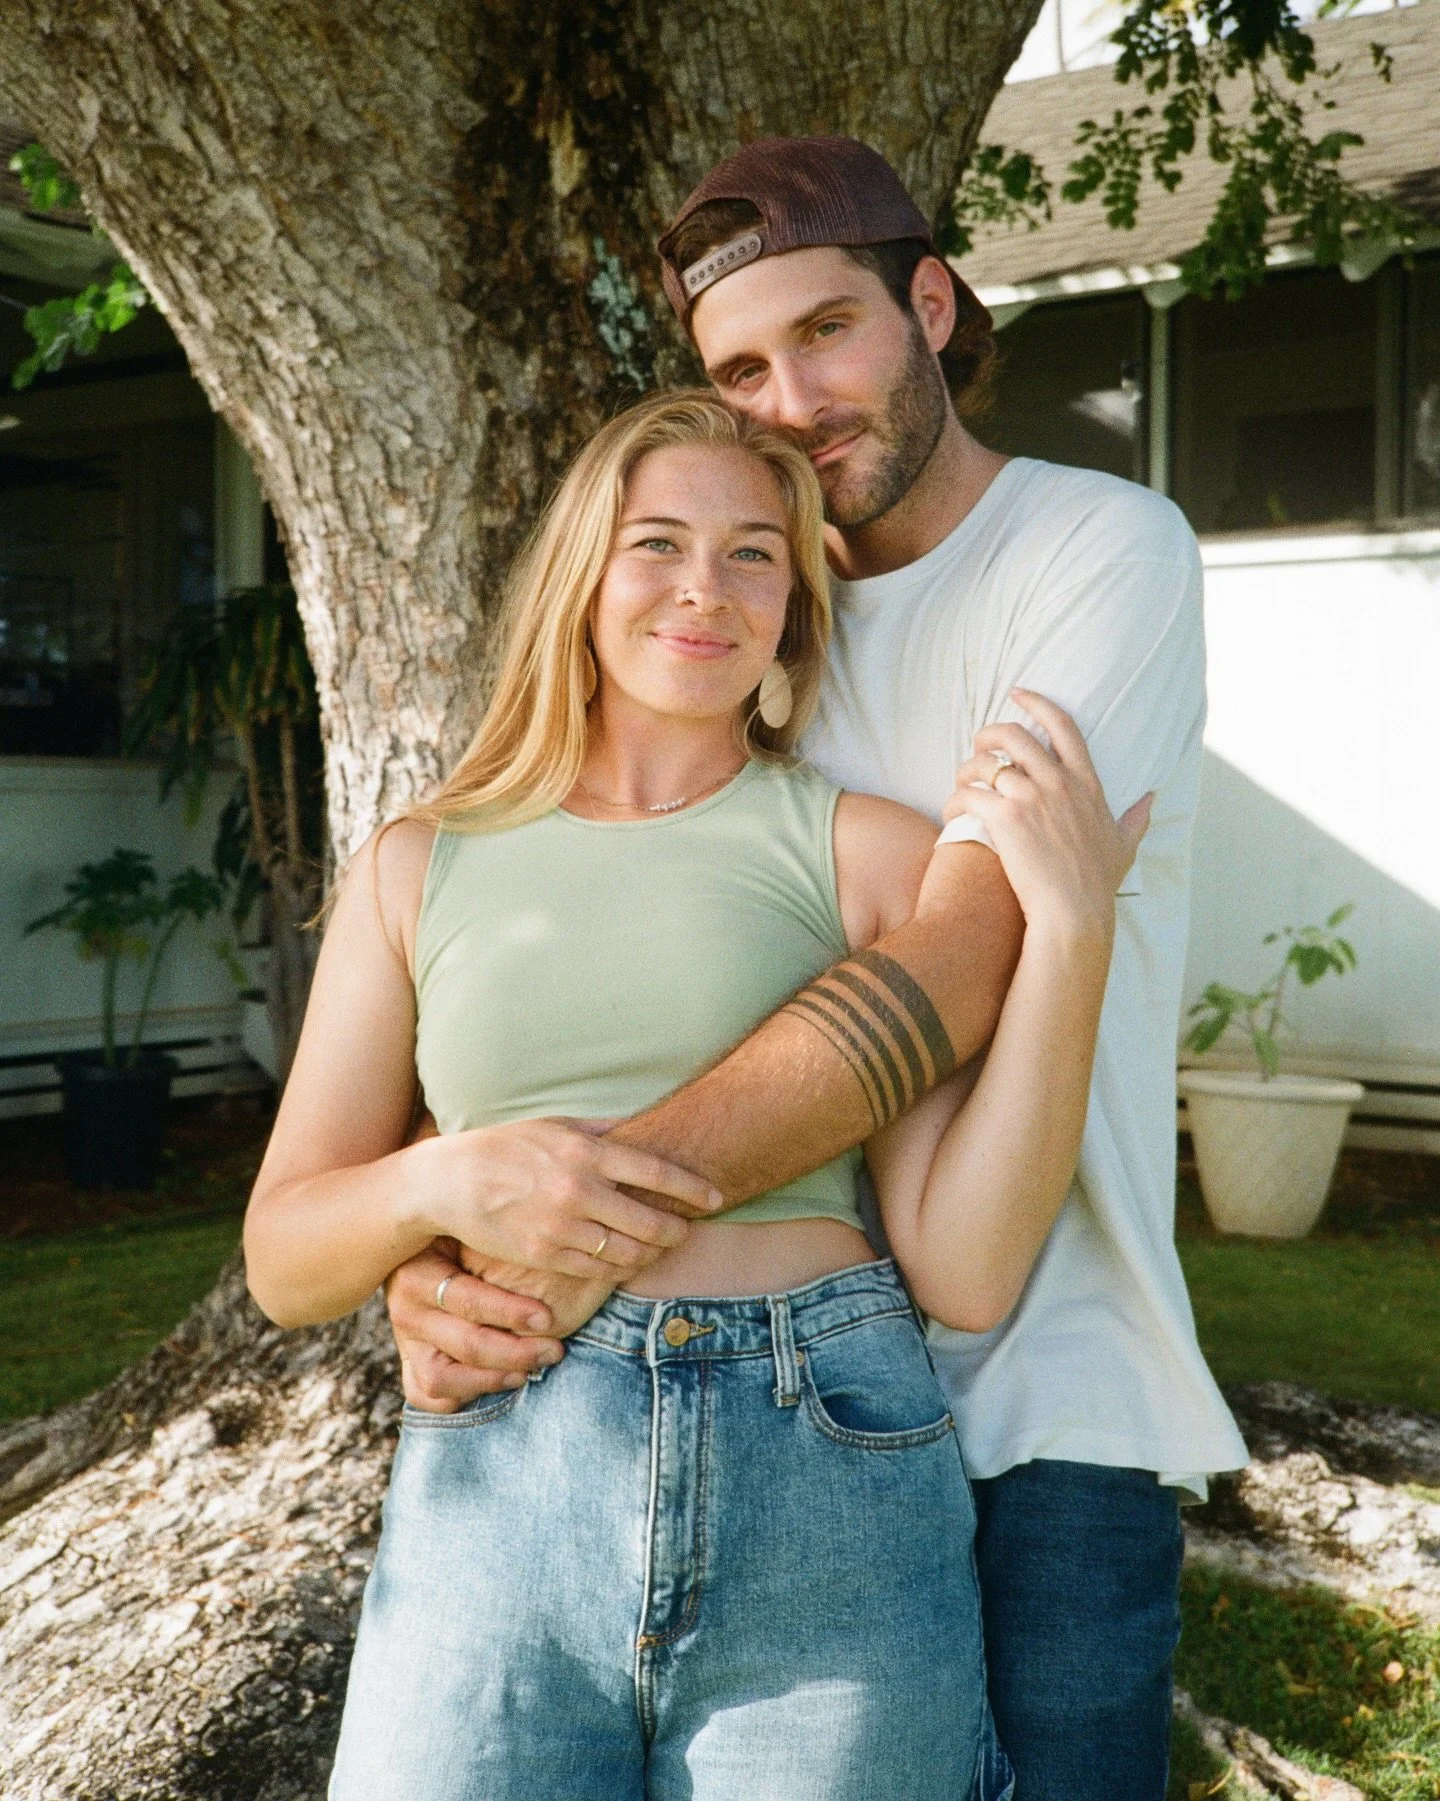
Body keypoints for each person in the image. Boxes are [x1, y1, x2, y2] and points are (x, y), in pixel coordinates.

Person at [384, 138, 1251, 1798]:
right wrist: (443, 1249)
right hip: (776, 1406)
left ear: (932, 304)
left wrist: (556, 1251)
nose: (787, 399)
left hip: (1054, 1385)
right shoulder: (756, 629)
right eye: (738, 370)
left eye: (827, 333)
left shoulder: (1097, 549)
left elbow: (958, 961)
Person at [244, 390, 1142, 1799]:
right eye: (657, 542)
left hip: (827, 1470)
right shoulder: (420, 866)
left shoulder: (870, 855)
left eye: (753, 556)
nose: (702, 591)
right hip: (504, 1490)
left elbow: (965, 1268)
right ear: (583, 578)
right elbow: (284, 1256)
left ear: (795, 610)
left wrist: (1073, 935)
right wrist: (444, 1184)